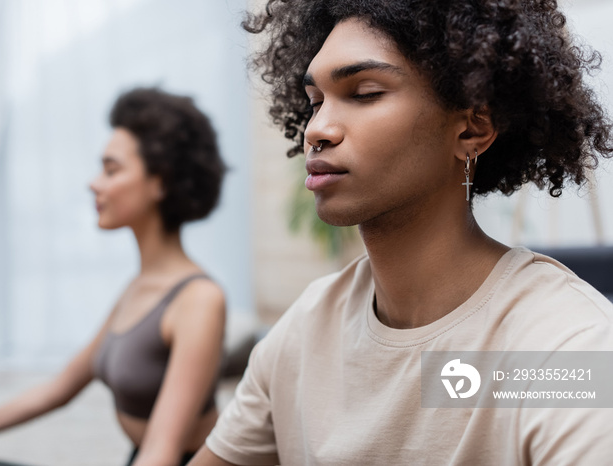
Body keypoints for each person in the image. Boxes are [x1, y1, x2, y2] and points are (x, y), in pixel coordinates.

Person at [190, 1, 613, 465]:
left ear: (472, 128)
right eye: (315, 102)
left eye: (365, 92)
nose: (318, 130)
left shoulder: (570, 349)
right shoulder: (307, 327)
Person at [0, 88, 227, 466]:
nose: (93, 183)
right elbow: (58, 389)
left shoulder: (199, 300)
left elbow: (162, 452)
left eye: (111, 169)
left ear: (159, 183)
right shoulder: (139, 288)